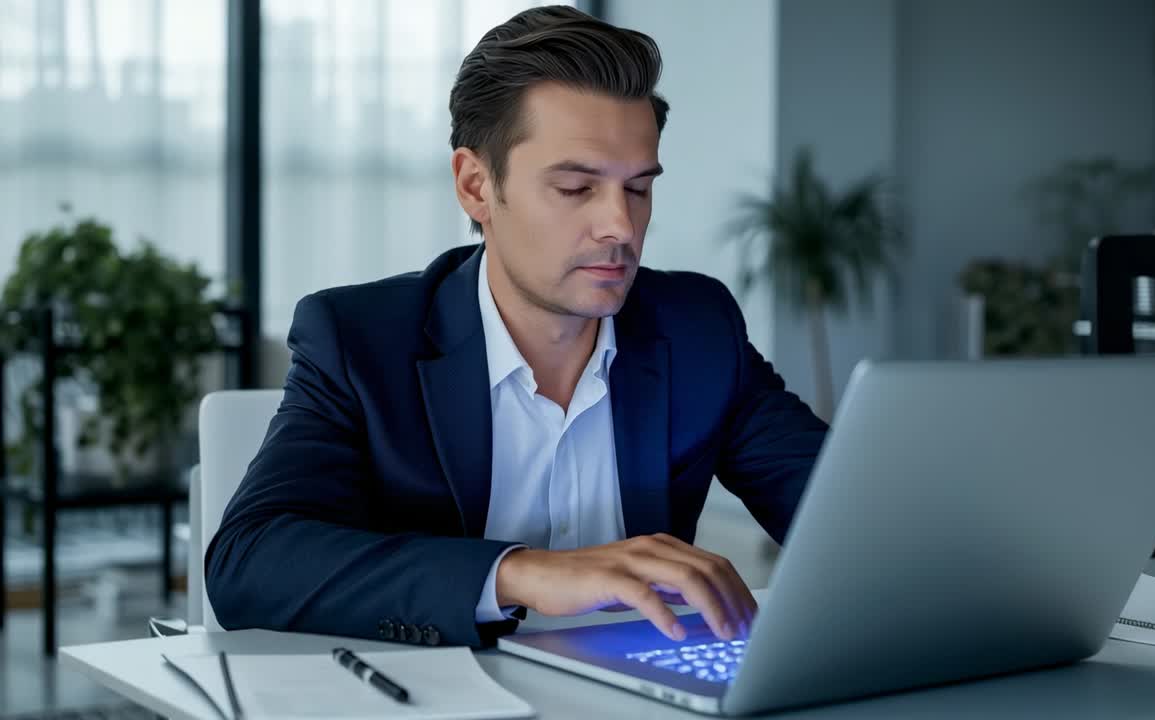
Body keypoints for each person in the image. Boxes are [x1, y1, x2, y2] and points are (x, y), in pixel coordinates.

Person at [205, 5, 826, 649]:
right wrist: (519, 573)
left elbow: (849, 519)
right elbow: (248, 563)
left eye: (637, 188)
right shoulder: (360, 338)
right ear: (476, 186)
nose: (620, 225)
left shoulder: (697, 328)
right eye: (576, 188)